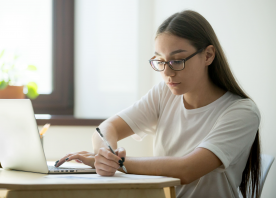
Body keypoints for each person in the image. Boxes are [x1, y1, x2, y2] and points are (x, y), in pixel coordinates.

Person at [55, 10, 261, 198]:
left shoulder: (241, 112)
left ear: (208, 55)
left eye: (177, 61)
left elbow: (187, 169)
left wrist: (118, 164)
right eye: (160, 61)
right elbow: (107, 128)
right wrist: (105, 154)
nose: (167, 73)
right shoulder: (165, 93)